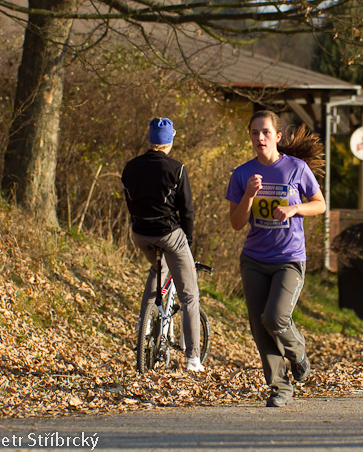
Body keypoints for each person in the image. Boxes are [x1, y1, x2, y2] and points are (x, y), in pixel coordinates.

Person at [225, 110, 326, 408]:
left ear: (278, 136)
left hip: (289, 258)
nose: (260, 138)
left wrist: (295, 210)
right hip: (254, 259)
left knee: (275, 317)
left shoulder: (296, 168)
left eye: (266, 132)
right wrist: (249, 196)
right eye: (255, 132)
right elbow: (236, 222)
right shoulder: (242, 174)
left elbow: (319, 205)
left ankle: (298, 352)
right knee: (260, 327)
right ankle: (280, 388)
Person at [122, 117, 205, 372]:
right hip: (169, 233)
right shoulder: (176, 169)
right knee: (189, 295)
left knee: (158, 270)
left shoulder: (130, 167)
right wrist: (187, 242)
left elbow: (129, 201)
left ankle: (144, 324)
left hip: (140, 233)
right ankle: (193, 359)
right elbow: (187, 211)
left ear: (150, 140)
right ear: (170, 141)